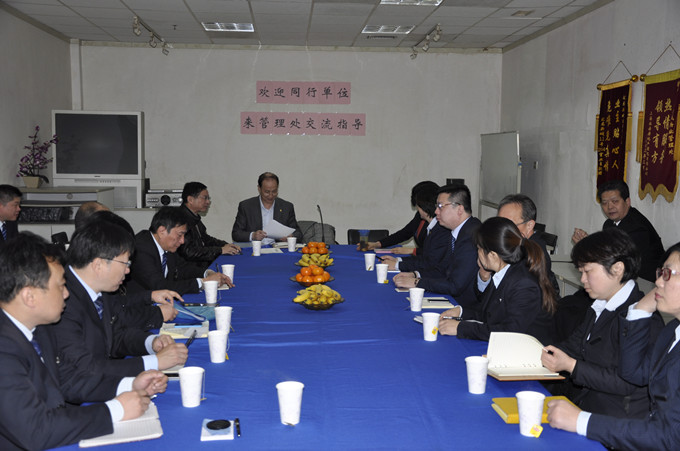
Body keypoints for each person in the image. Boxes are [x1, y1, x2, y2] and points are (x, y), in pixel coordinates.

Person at [0, 232, 167, 450]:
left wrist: (129, 385)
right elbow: (36, 430)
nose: (67, 294)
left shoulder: (39, 327)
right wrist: (115, 411)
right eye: (60, 286)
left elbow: (68, 380)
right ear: (29, 297)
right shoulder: (4, 350)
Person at [547, 242, 680, 449]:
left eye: (668, 274)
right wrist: (641, 310)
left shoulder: (657, 326)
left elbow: (670, 436)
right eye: (660, 272)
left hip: (626, 428)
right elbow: (633, 373)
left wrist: (582, 421)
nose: (658, 282)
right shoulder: (672, 331)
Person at [542, 228, 664, 419]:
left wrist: (571, 365)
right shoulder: (600, 305)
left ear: (617, 269)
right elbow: (573, 345)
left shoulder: (643, 319)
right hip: (586, 404)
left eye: (587, 271)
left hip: (615, 418)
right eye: (581, 272)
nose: (582, 279)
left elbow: (626, 383)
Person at [52, 219, 189, 379]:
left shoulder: (98, 288)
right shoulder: (61, 301)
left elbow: (114, 337)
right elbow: (84, 369)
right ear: (98, 265)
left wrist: (152, 342)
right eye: (125, 263)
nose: (128, 270)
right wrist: (154, 362)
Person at [437, 217, 556, 343]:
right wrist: (461, 312)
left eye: (479, 249)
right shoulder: (504, 272)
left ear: (493, 255)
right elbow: (489, 314)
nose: (477, 253)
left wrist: (461, 328)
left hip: (526, 350)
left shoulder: (524, 284)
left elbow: (510, 332)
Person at [392, 184, 481, 309]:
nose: (436, 212)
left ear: (459, 209)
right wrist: (415, 275)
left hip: (465, 307)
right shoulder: (457, 232)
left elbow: (455, 285)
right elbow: (441, 269)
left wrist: (417, 282)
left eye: (440, 206)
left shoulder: (471, 236)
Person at [572, 180, 664, 281]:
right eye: (604, 203)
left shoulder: (637, 228)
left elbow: (614, 260)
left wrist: (587, 247)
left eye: (615, 201)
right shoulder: (609, 224)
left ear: (627, 202)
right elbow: (606, 252)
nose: (610, 207)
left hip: (647, 283)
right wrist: (587, 244)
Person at [128, 206, 231, 295]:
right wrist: (203, 282)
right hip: (142, 307)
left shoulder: (166, 245)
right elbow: (160, 287)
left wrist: (207, 273)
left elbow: (183, 268)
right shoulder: (140, 249)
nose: (182, 241)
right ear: (162, 231)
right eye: (180, 235)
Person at [380, 183, 449, 274]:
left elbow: (430, 263)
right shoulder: (431, 227)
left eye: (418, 205)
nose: (417, 208)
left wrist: (397, 265)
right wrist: (398, 260)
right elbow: (425, 258)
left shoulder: (441, 230)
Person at [361, 181, 438, 254]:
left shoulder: (440, 222)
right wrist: (377, 244)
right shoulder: (419, 216)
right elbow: (404, 233)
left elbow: (436, 251)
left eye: (418, 205)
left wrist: (412, 251)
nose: (417, 208)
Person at [178, 181, 241, 268]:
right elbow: (190, 252)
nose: (208, 202)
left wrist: (225, 245)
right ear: (190, 200)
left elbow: (206, 239)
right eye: (205, 198)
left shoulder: (194, 217)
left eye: (208, 198)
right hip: (189, 269)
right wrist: (220, 250)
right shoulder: (180, 219)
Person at [232, 172, 302, 244]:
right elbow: (236, 234)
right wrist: (253, 235)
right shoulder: (246, 206)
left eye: (274, 191)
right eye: (267, 192)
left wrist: (291, 237)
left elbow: (298, 233)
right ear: (259, 189)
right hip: (254, 248)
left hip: (278, 248)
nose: (271, 195)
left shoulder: (286, 207)